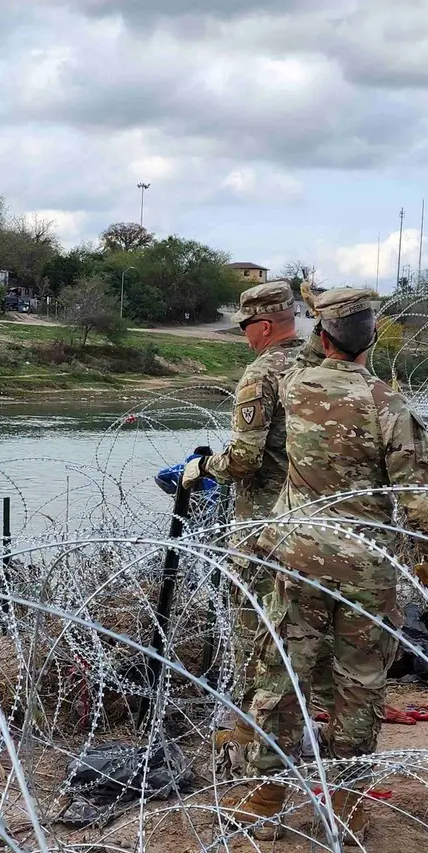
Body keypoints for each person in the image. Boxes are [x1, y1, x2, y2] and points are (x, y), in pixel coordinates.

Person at [235, 287, 428, 839]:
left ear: (322, 335)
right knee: (359, 680)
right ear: (372, 338)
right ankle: (348, 802)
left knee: (283, 671)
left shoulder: (294, 386)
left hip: (297, 555)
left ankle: (267, 795)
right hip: (365, 567)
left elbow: (300, 357)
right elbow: (419, 496)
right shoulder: (387, 404)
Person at [179, 280, 304, 766]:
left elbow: (246, 460)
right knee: (305, 631)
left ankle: (253, 744)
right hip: (317, 521)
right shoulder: (322, 367)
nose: (244, 335)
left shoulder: (262, 373)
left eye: (247, 326)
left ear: (266, 325)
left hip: (262, 523)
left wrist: (202, 469)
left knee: (254, 631)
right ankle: (304, 733)